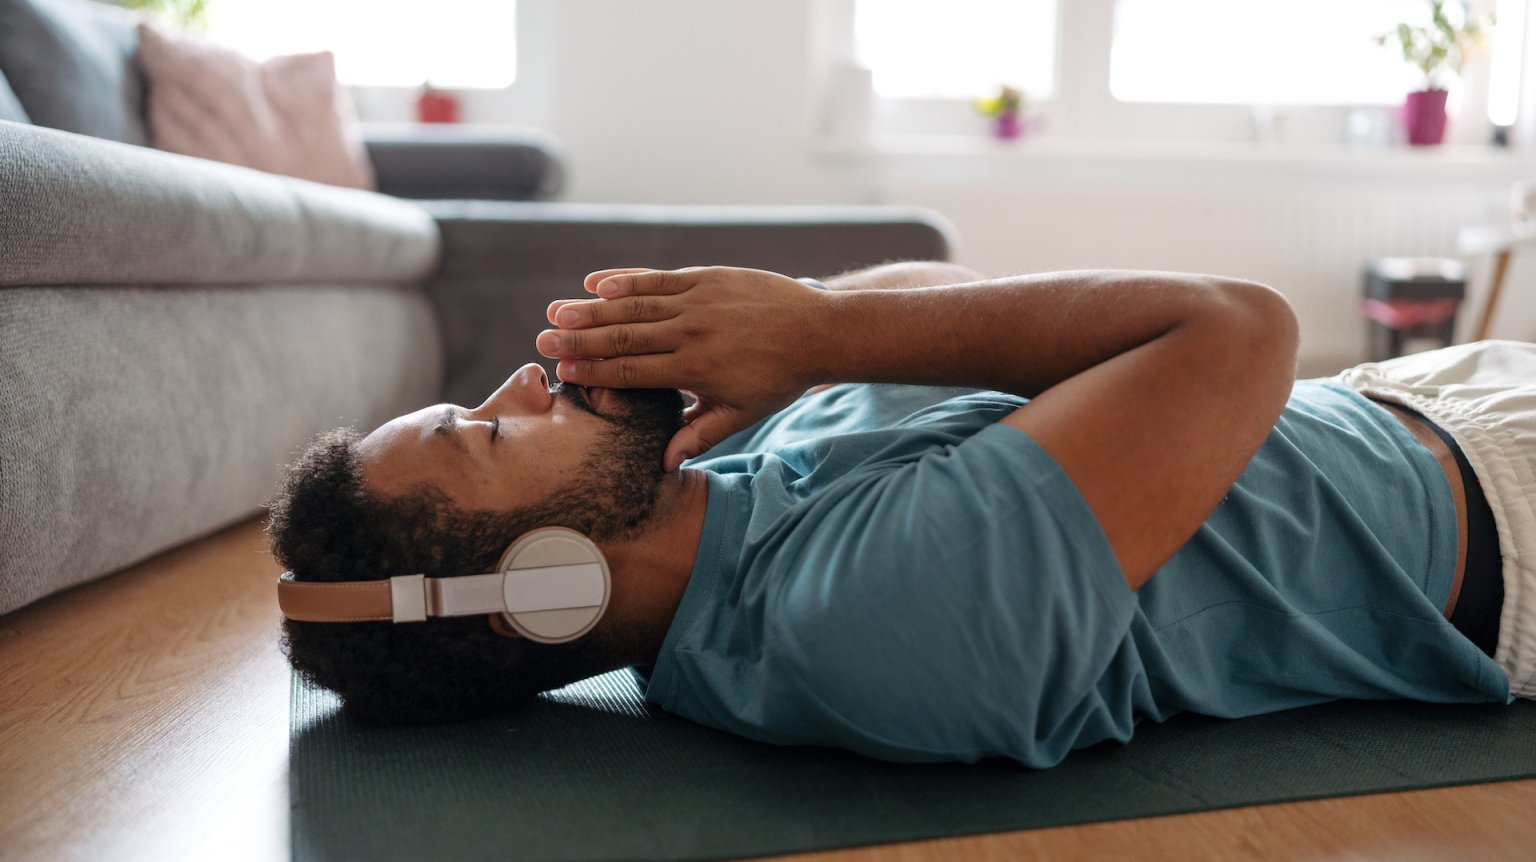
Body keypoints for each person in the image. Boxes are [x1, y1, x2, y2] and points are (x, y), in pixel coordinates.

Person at [269, 261, 1531, 767]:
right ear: (539, 587)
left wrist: (793, 332)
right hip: (1501, 515)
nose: (524, 380)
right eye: (486, 433)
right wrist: (822, 332)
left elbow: (952, 309)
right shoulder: (860, 621)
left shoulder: (726, 491)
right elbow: (1239, 327)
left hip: (1409, 400)